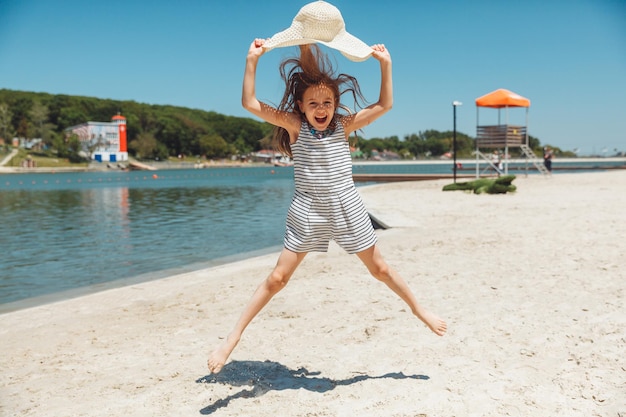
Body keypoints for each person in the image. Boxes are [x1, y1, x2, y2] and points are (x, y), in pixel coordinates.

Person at [207, 37, 446, 375]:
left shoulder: (343, 126)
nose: (321, 108)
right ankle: (231, 338)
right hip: (308, 212)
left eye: (328, 102)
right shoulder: (295, 126)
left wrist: (385, 64)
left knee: (380, 270)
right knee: (277, 279)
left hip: (347, 208)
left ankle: (419, 310)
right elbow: (249, 102)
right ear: (301, 107)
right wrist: (252, 59)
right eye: (313, 102)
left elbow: (384, 105)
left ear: (336, 104)